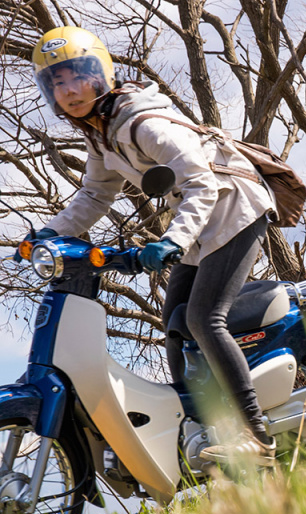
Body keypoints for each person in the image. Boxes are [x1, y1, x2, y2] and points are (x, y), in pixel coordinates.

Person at [29, 26, 276, 466]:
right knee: (175, 322)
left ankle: (257, 436)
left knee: (204, 318)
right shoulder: (101, 133)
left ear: (100, 73)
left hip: (234, 208)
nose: (68, 91)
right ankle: (201, 423)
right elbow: (95, 195)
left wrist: (172, 241)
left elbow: (200, 181)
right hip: (200, 225)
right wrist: (49, 234)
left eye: (75, 77)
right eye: (56, 83)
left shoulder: (143, 123)